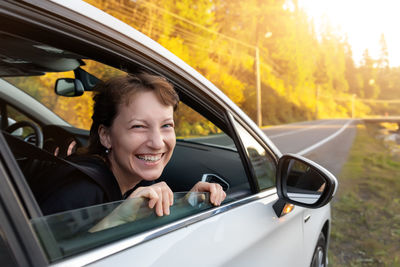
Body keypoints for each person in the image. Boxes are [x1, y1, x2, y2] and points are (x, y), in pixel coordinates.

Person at [37, 73, 226, 218]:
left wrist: (186, 204)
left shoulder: (138, 178)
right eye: (139, 126)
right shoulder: (80, 192)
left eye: (166, 125)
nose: (157, 142)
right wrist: (118, 219)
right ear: (106, 136)